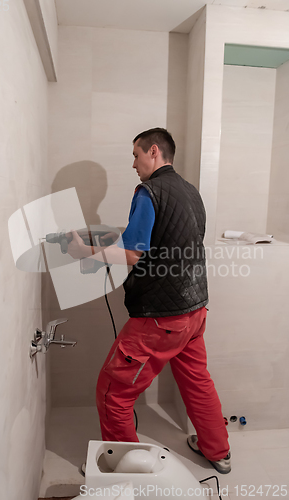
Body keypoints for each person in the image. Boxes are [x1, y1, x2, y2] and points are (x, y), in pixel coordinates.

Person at [68, 127, 231, 474]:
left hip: (160, 318)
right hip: (195, 310)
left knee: (113, 392)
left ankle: (124, 468)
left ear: (153, 152)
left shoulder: (148, 192)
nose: (133, 164)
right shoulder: (191, 192)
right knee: (196, 380)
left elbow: (132, 254)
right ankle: (217, 449)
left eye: (136, 155)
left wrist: (85, 251)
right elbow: (174, 241)